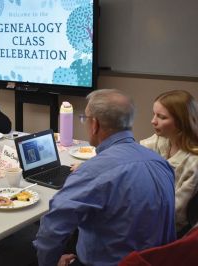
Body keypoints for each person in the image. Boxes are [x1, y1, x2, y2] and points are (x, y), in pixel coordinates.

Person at [34, 89, 176, 266]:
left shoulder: (93, 171)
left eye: (85, 119)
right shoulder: (161, 163)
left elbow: (51, 230)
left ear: (94, 125)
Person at [140, 90, 198, 236]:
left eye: (162, 117)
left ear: (181, 122)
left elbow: (176, 212)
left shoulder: (193, 162)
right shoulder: (161, 140)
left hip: (166, 228)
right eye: (154, 114)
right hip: (148, 211)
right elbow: (129, 156)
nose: (153, 121)